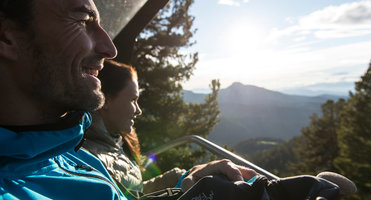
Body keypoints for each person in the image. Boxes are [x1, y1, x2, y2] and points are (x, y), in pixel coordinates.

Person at [0, 0, 258, 199]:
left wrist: (186, 184)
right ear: (5, 36)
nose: (109, 48)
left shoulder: (67, 153)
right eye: (82, 19)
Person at [83, 60, 186, 198]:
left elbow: (132, 192)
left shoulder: (114, 142)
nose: (138, 111)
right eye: (133, 100)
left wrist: (179, 177)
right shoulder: (92, 162)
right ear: (106, 101)